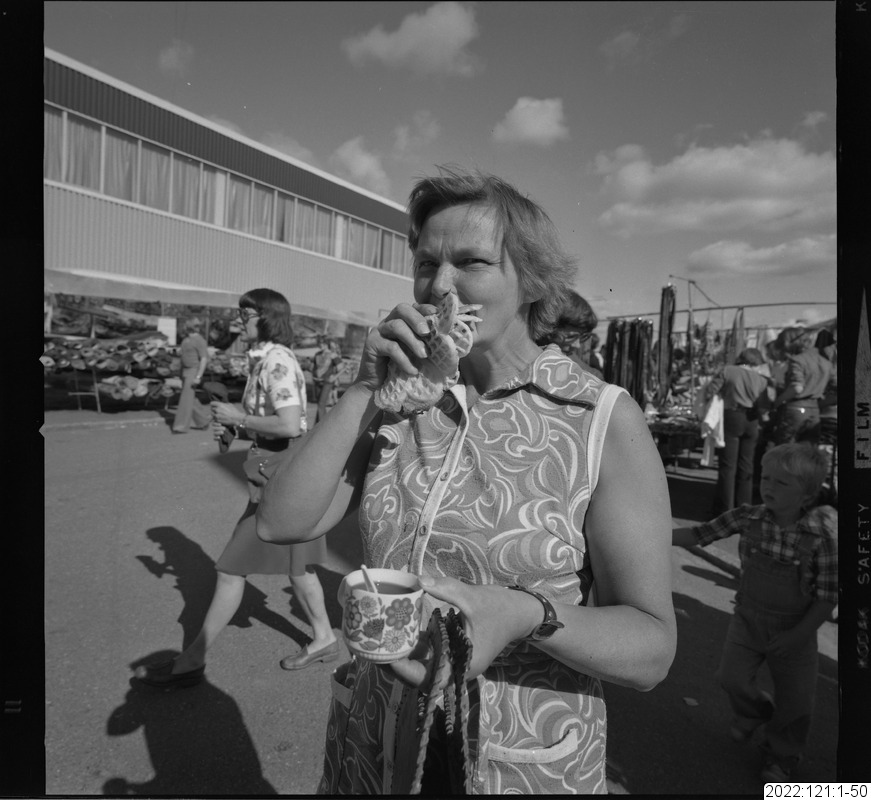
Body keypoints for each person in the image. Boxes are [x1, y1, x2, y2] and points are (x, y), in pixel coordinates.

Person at [257, 169, 677, 794]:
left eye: (471, 262)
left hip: (519, 756)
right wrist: (368, 388)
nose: (439, 286)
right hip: (378, 739)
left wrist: (526, 614)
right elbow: (279, 522)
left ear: (532, 280)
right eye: (427, 264)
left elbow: (651, 649)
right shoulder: (400, 399)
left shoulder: (599, 418)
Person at [135, 289, 337, 689]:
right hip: (285, 477)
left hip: (281, 481)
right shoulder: (269, 358)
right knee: (299, 567)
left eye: (245, 315)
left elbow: (290, 424)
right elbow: (280, 424)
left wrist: (238, 419)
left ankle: (192, 660)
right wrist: (236, 427)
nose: (238, 322)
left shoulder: (276, 361)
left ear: (267, 318)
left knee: (231, 569)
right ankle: (325, 638)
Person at [672, 443, 837, 783]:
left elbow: (827, 597)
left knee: (796, 703)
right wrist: (652, 535)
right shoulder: (748, 517)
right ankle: (756, 711)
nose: (768, 486)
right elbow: (700, 534)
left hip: (796, 631)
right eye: (766, 478)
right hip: (748, 620)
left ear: (807, 495)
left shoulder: (820, 538)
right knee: (730, 677)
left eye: (782, 482)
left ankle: (782, 757)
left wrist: (799, 635)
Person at [707, 347, 772, 515]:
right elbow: (764, 407)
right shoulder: (761, 380)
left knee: (728, 467)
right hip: (752, 421)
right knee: (746, 467)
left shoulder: (728, 371)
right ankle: (744, 509)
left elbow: (710, 391)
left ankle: (725, 510)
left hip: (732, 417)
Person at [771, 327, 832, 446]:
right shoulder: (824, 361)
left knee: (787, 450)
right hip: (814, 410)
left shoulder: (797, 360)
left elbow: (797, 387)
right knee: (808, 450)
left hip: (795, 408)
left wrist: (778, 401)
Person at [536, 289, 604, 378]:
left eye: (583, 337)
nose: (577, 346)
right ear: (547, 329)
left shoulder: (589, 376)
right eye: (571, 337)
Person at [172, 319, 211, 433]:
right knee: (190, 398)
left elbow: (204, 358)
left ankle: (180, 426)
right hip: (184, 371)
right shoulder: (186, 339)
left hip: (193, 371)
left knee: (185, 399)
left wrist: (198, 376)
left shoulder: (199, 340)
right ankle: (203, 420)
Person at [312, 337, 344, 422]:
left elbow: (342, 368)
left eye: (323, 343)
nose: (321, 345)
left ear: (327, 344)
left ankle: (320, 426)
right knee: (320, 405)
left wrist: (334, 377)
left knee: (321, 404)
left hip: (327, 382)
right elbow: (314, 367)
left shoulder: (333, 355)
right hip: (317, 381)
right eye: (319, 343)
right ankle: (322, 423)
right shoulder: (317, 354)